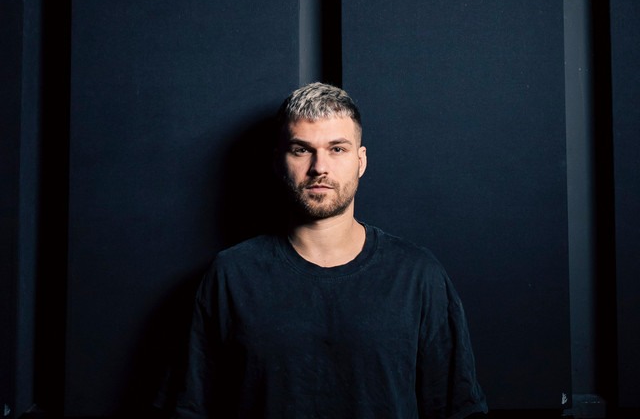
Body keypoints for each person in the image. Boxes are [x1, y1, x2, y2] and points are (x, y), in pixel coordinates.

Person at [173, 82, 487, 419]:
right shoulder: (231, 275)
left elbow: (457, 411)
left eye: (337, 149)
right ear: (278, 161)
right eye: (301, 150)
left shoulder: (417, 275)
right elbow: (192, 410)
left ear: (360, 161)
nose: (319, 167)